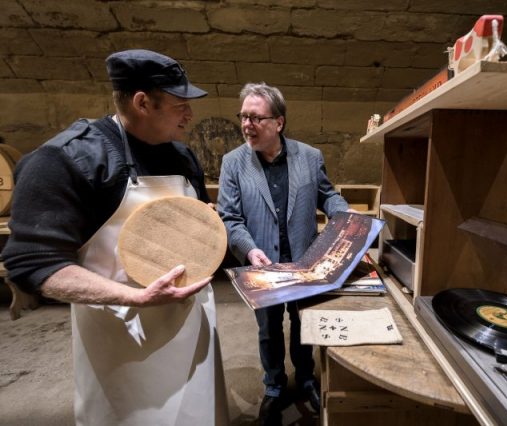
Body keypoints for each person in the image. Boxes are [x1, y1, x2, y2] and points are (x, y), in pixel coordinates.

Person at [1, 49, 228, 425]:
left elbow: (200, 219)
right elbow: (33, 264)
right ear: (142, 102)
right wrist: (136, 296)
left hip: (191, 326)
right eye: (179, 105)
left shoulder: (183, 156)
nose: (190, 115)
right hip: (124, 336)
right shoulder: (68, 159)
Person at [217, 82, 350, 424]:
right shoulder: (233, 163)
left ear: (278, 122)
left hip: (306, 261)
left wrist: (345, 215)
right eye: (244, 116)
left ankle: (306, 378)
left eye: (256, 118)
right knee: (269, 329)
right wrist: (249, 249)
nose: (247, 124)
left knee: (305, 323)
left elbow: (327, 195)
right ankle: (274, 385)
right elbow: (229, 217)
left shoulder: (309, 156)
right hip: (262, 264)